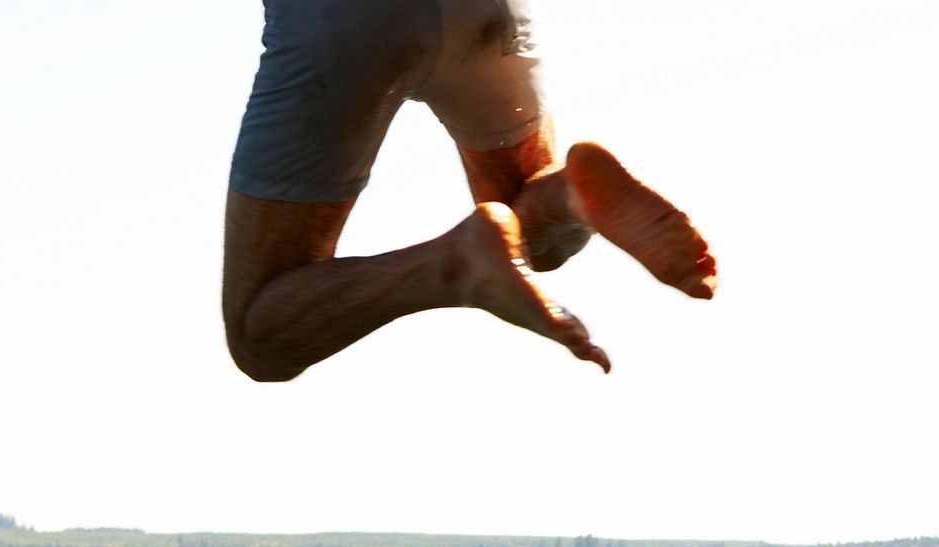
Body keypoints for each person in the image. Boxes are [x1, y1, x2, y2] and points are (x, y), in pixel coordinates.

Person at [221, 0, 716, 382]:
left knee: (261, 333)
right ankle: (567, 195)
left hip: (343, 19)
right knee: (532, 227)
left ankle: (451, 264)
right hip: (484, 9)